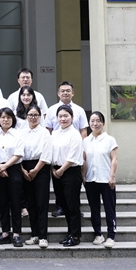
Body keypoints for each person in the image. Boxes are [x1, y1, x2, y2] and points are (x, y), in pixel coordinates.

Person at [45, 81, 88, 217]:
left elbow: (83, 130)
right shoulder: (51, 110)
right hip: (57, 152)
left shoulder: (79, 110)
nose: (65, 93)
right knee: (58, 186)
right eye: (62, 91)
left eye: (68, 91)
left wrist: (82, 148)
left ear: (73, 93)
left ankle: (75, 208)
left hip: (73, 151)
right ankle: (60, 207)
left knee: (73, 186)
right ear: (58, 93)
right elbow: (48, 130)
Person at [83, 111, 119, 248]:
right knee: (94, 209)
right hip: (91, 180)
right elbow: (84, 160)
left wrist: (112, 176)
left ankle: (111, 236)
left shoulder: (110, 140)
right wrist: (83, 176)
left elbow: (114, 159)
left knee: (110, 208)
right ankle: (98, 234)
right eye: (92, 121)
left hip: (106, 180)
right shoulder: (86, 141)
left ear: (103, 123)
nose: (95, 123)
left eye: (98, 121)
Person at [18, 104, 52, 248]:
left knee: (41, 203)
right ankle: (35, 235)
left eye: (36, 115)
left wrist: (36, 170)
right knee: (30, 203)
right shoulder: (21, 132)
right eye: (30, 115)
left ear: (40, 117)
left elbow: (46, 153)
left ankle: (43, 236)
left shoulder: (45, 132)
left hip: (41, 167)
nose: (33, 117)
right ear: (26, 116)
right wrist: (22, 170)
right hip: (24, 167)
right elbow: (17, 152)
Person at [0, 107, 24, 247]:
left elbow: (19, 153)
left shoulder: (17, 134)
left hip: (13, 168)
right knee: (2, 202)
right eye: (3, 117)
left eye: (8, 117)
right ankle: (5, 233)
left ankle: (16, 234)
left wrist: (5, 166)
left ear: (12, 119)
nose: (5, 120)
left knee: (15, 202)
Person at [51, 105, 84, 247]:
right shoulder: (55, 133)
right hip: (56, 171)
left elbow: (72, 156)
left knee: (72, 205)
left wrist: (61, 170)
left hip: (70, 171)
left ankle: (75, 236)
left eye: (66, 116)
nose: (63, 119)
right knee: (64, 205)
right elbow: (50, 152)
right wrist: (53, 168)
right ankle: (70, 233)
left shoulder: (75, 134)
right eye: (60, 116)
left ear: (72, 117)